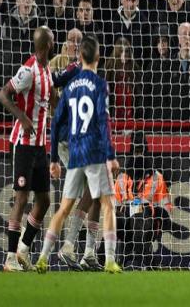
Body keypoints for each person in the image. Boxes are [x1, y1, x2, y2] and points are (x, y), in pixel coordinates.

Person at [35, 34, 121, 274]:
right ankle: (106, 258)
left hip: (75, 152)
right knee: (108, 204)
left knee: (68, 206)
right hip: (92, 151)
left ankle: (46, 256)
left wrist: (53, 159)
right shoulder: (99, 84)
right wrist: (110, 155)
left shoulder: (71, 85)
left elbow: (55, 119)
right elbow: (103, 121)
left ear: (80, 55)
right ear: (98, 56)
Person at [0, 26, 56, 271]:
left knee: (44, 200)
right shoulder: (28, 70)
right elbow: (3, 94)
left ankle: (23, 249)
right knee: (21, 198)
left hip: (40, 145)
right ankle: (10, 258)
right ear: (47, 45)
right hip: (23, 144)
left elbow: (51, 99)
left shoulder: (47, 69)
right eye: (52, 40)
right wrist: (21, 116)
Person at [114, 131, 173, 269]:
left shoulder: (156, 177)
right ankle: (102, 258)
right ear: (131, 153)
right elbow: (114, 206)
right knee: (112, 218)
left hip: (149, 222)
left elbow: (167, 207)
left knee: (139, 213)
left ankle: (136, 260)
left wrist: (158, 213)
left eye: (141, 152)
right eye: (136, 152)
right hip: (125, 221)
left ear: (146, 153)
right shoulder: (122, 178)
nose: (139, 155)